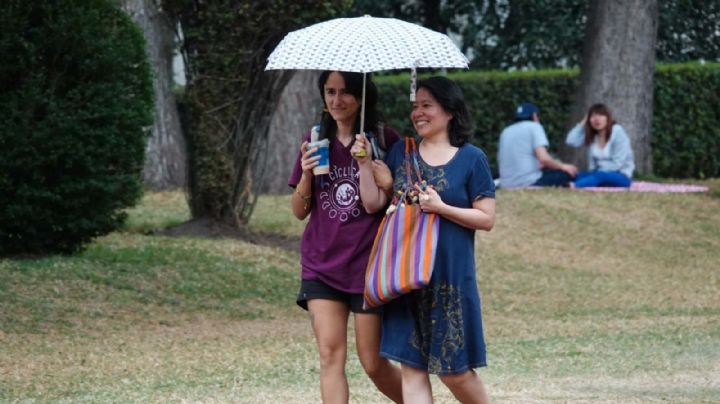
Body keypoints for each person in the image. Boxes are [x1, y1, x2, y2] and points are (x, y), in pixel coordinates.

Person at [352, 76, 495, 404]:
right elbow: (375, 203)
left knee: (453, 371)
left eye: (427, 105)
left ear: (449, 111)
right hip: (405, 277)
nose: (418, 112)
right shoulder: (401, 153)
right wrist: (364, 166)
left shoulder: (472, 158)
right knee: (412, 368)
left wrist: (441, 207)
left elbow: (486, 218)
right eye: (415, 106)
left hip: (450, 278)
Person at [288, 71, 403, 403]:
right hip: (322, 265)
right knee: (329, 356)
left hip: (368, 267)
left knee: (373, 363)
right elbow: (298, 211)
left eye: (345, 93)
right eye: (329, 92)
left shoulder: (385, 139)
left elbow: (398, 198)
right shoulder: (314, 140)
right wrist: (307, 174)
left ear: (361, 96)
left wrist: (374, 168)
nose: (336, 101)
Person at [497, 102, 577, 188]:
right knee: (567, 174)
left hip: (506, 183)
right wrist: (563, 167)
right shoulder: (534, 127)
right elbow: (544, 159)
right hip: (528, 182)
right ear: (534, 115)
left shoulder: (505, 131)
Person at [565, 103, 635, 188]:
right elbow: (570, 141)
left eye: (601, 115)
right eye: (593, 116)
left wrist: (598, 171)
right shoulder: (593, 135)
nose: (597, 119)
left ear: (608, 118)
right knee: (576, 175)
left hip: (621, 175)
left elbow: (618, 163)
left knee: (600, 176)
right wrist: (582, 123)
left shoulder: (618, 131)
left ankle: (574, 186)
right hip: (597, 173)